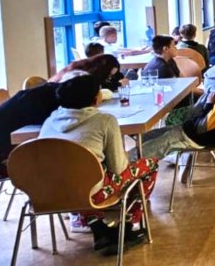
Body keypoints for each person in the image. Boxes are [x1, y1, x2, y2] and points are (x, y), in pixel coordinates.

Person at [38, 74, 157, 254]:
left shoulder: (49, 121)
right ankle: (126, 226)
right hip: (90, 193)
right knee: (150, 165)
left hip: (47, 194)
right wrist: (125, 156)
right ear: (96, 98)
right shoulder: (105, 121)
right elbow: (118, 168)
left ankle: (99, 228)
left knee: (76, 175)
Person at [139, 63, 215, 159]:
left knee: (142, 152)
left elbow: (199, 127)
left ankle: (130, 169)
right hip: (187, 130)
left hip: (190, 137)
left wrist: (209, 104)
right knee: (145, 137)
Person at [51, 54, 127, 91]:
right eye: (109, 74)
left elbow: (116, 75)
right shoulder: (82, 74)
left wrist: (118, 78)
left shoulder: (88, 65)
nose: (109, 77)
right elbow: (99, 86)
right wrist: (119, 84)